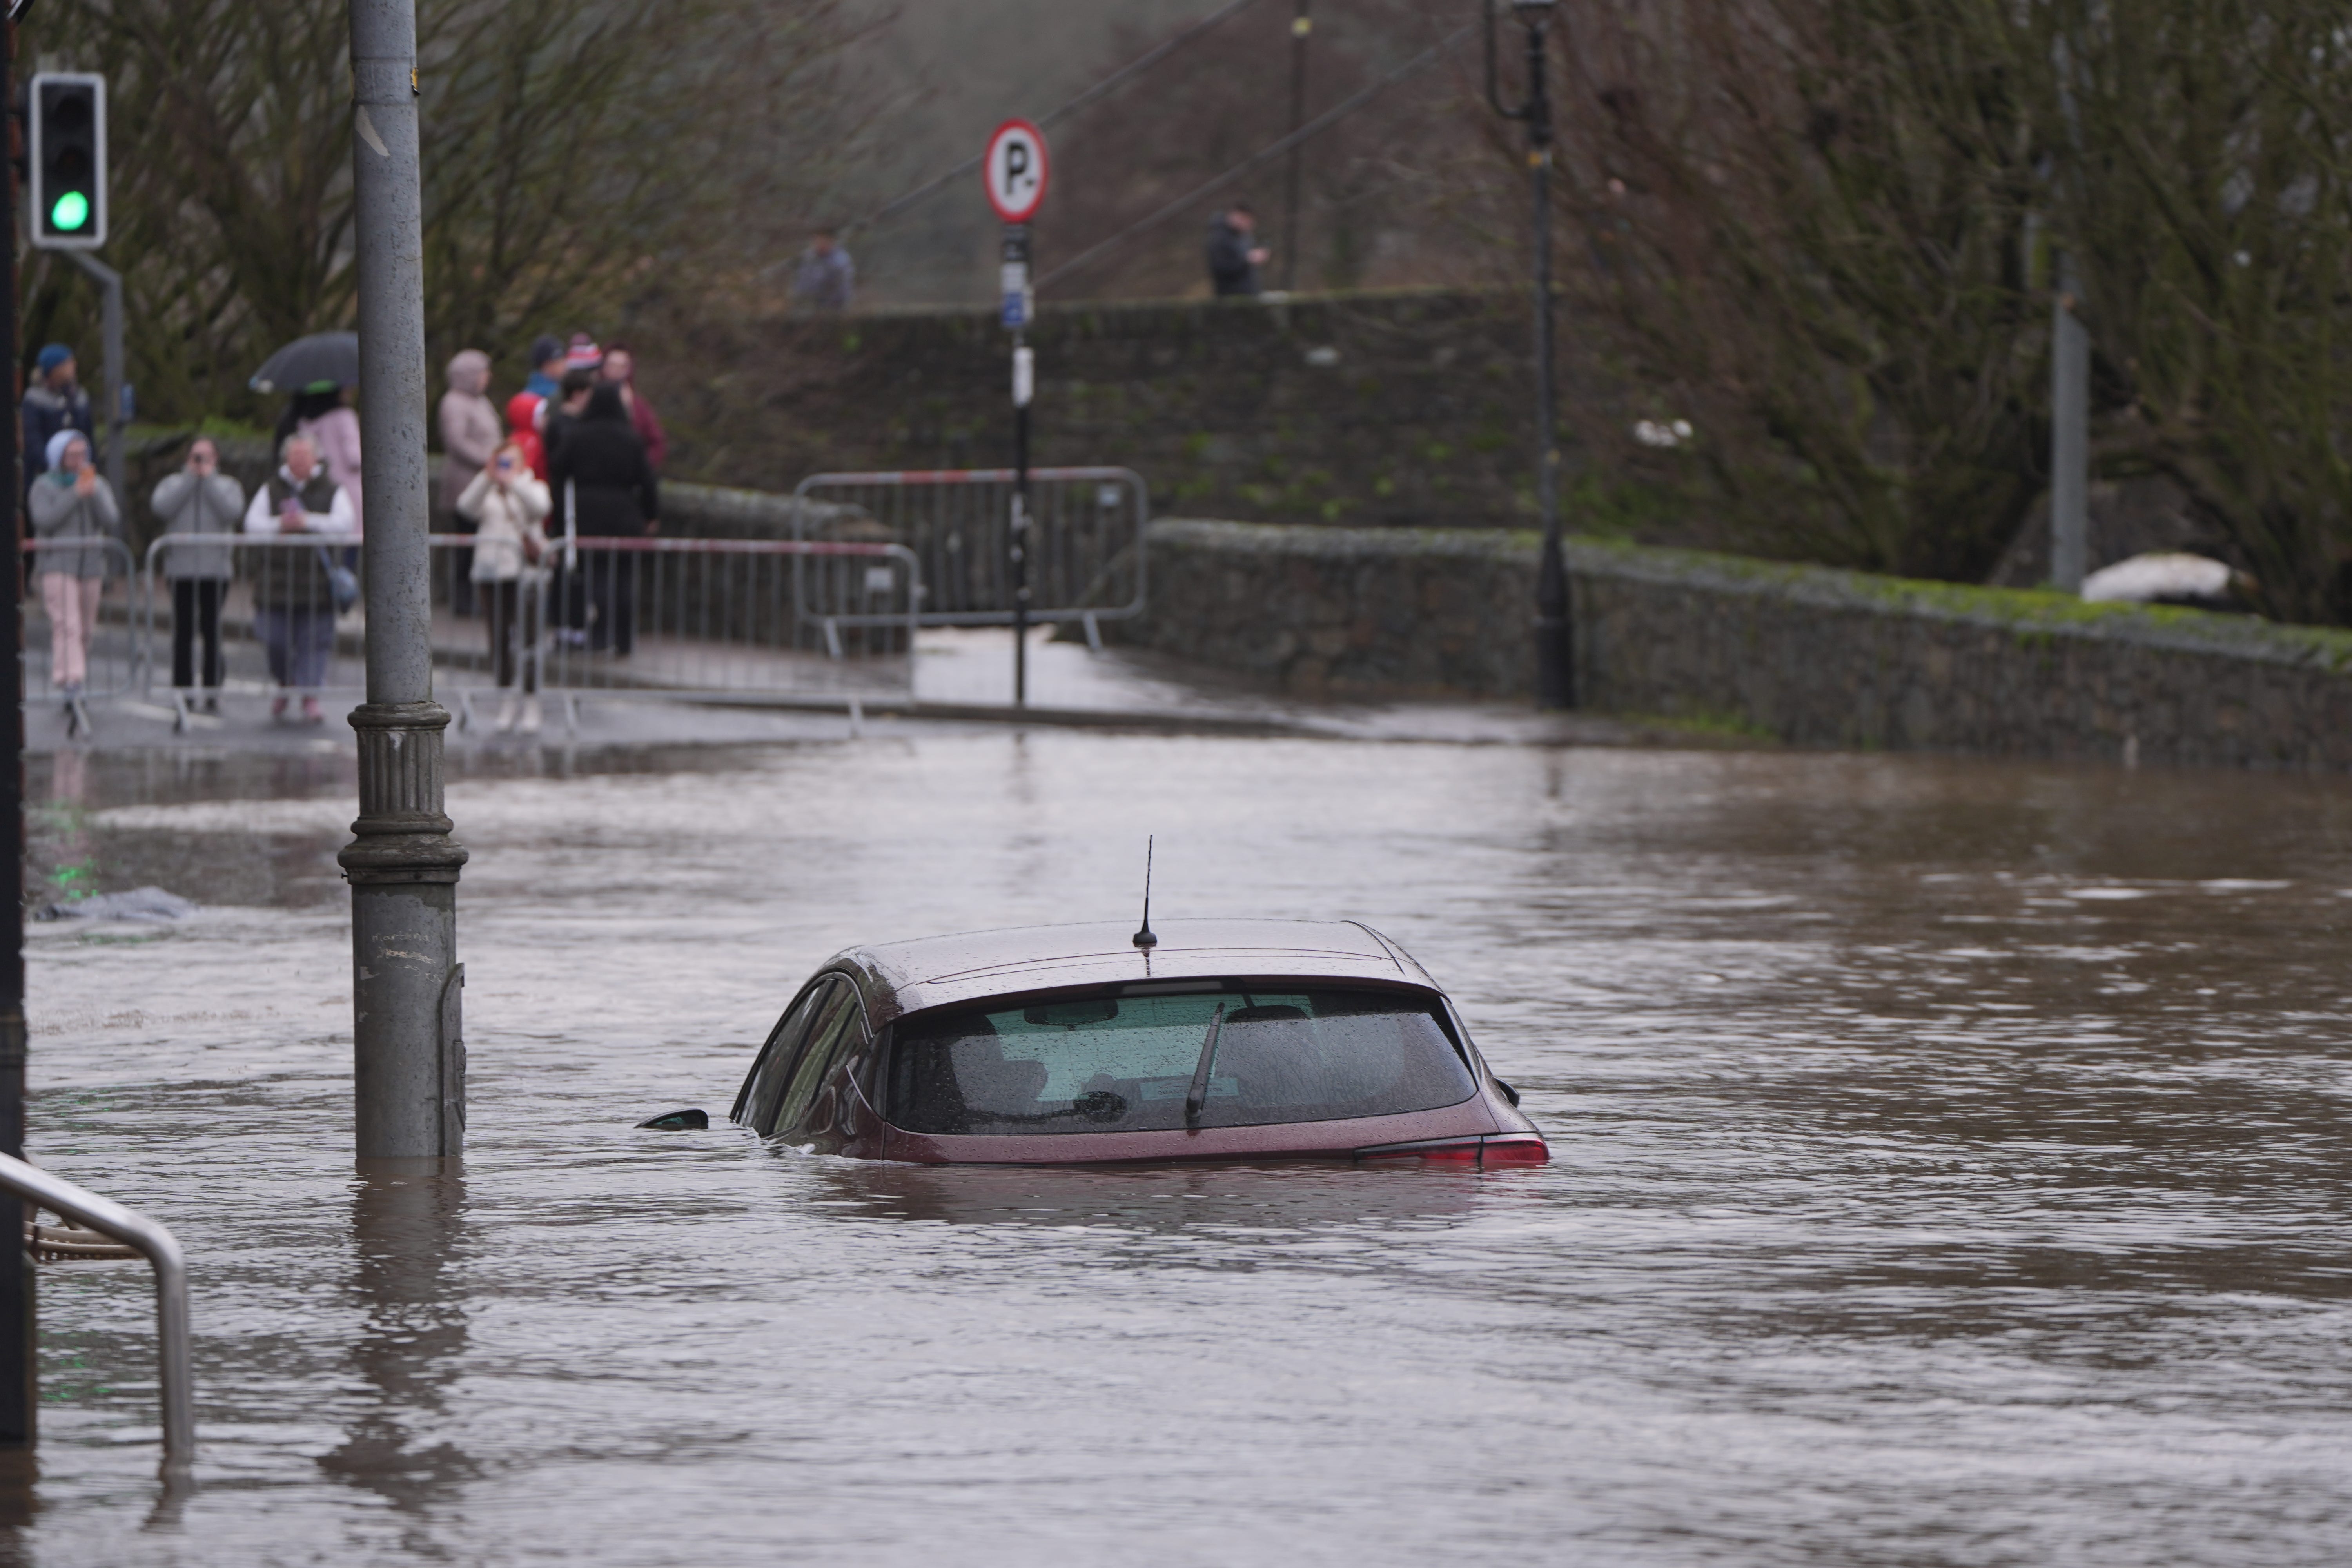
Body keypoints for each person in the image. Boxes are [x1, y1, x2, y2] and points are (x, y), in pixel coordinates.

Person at [243, 432, 356, 724]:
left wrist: (308, 522)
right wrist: (281, 524)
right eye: (295, 456)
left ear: (316, 458)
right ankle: (285, 681)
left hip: (317, 584)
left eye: (305, 456)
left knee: (316, 642)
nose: (300, 461)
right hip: (276, 582)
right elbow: (252, 526)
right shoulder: (272, 488)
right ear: (287, 459)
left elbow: (345, 524)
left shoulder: (332, 489)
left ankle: (310, 697)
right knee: (273, 638)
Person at [548, 382, 658, 656]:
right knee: (624, 580)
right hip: (625, 516)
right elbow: (647, 480)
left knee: (597, 578)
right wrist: (651, 514)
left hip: (588, 517)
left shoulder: (578, 436)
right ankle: (624, 639)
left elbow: (557, 471)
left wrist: (562, 512)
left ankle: (600, 634)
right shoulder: (631, 438)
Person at [456, 441, 551, 734]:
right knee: (498, 639)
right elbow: (465, 508)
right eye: (501, 462)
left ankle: (532, 700)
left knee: (529, 639)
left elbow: (541, 508)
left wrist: (514, 484)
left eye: (511, 462)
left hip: (525, 574)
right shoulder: (487, 491)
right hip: (492, 573)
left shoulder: (533, 487)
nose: (505, 469)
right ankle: (506, 697)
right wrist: (487, 477)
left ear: (522, 465)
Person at [149, 437, 243, 708]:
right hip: (181, 570)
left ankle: (213, 688)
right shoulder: (173, 483)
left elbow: (231, 512)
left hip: (216, 571)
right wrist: (190, 480)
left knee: (212, 629)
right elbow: (162, 508)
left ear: (216, 458)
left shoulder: (227, 486)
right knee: (183, 631)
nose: (200, 462)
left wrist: (209, 480)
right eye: (195, 456)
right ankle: (183, 689)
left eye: (206, 456)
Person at [25, 431, 119, 704]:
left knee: (86, 628)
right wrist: (75, 495)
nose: (79, 460)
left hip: (90, 565)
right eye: (72, 455)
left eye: (82, 454)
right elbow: (45, 520)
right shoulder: (44, 486)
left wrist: (94, 493)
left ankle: (76, 678)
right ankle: (70, 680)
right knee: (68, 625)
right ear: (60, 457)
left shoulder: (97, 484)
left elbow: (111, 518)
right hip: (57, 564)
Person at [439, 349, 501, 614]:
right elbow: (457, 441)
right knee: (466, 546)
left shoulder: (481, 401)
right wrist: (488, 459)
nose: (488, 378)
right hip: (465, 484)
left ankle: (478, 598)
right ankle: (462, 600)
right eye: (483, 373)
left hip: (487, 483)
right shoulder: (454, 402)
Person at [283, 387, 364, 531]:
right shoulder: (344, 416)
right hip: (350, 490)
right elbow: (355, 458)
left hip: (319, 490)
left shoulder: (305, 421)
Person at [21, 344, 94, 495]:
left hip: (80, 476)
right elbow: (33, 441)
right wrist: (56, 470)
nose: (74, 366)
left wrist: (89, 466)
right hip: (47, 481)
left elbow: (89, 437)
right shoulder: (35, 401)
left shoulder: (79, 398)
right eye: (68, 362)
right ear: (54, 369)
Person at [598, 344, 668, 472]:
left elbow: (657, 442)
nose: (616, 370)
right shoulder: (588, 399)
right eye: (612, 365)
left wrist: (640, 466)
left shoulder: (639, 406)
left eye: (622, 366)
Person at [1206, 204, 1270, 298]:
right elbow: (1221, 269)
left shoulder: (1244, 237)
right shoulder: (1219, 237)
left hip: (1250, 294)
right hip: (1231, 296)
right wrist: (1248, 260)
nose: (1249, 225)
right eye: (1247, 221)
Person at [791, 231, 855, 312]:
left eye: (823, 242)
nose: (820, 245)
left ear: (831, 242)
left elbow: (840, 286)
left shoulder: (840, 261)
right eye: (817, 242)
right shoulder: (809, 257)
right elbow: (802, 279)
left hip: (833, 304)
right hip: (808, 303)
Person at [523, 334, 565, 400]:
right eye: (558, 362)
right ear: (546, 366)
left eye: (563, 360)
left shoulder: (560, 385)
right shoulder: (537, 395)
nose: (564, 365)